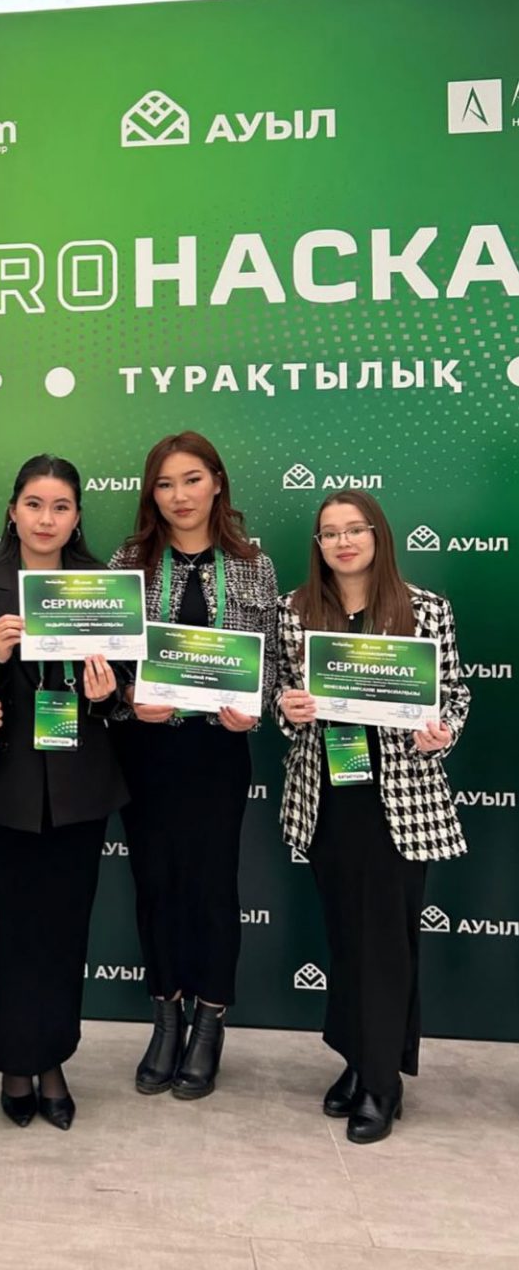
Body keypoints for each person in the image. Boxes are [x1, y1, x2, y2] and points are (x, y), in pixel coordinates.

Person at [273, 489, 469, 1144]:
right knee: (346, 937)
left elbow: (454, 694)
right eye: (329, 533)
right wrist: (289, 708)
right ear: (318, 546)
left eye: (355, 529)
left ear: (378, 535)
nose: (343, 541)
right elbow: (281, 694)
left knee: (385, 942)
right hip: (328, 796)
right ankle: (358, 1059)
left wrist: (442, 731)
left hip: (400, 798)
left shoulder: (424, 609)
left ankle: (382, 1081)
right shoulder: (295, 611)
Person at [0, 455, 127, 1130]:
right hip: (5, 785)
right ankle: (13, 1061)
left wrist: (107, 694)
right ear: (13, 511)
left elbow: (124, 693)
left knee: (64, 928)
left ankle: (52, 1059)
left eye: (60, 507)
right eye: (33, 504)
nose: (46, 518)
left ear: (76, 516)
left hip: (80, 784)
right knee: (13, 926)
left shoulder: (101, 585)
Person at [110, 432, 276, 1101]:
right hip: (146, 752)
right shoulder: (129, 561)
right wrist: (128, 698)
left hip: (216, 753)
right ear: (151, 494)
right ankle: (166, 1019)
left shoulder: (253, 565)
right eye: (164, 484)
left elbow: (271, 660)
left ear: (216, 482)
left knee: (210, 888)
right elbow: (108, 659)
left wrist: (252, 710)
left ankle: (209, 1023)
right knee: (155, 886)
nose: (178, 496)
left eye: (191, 480)